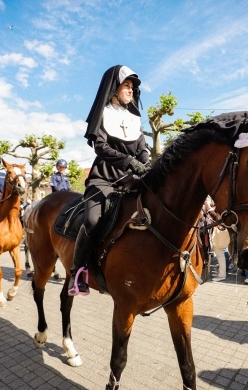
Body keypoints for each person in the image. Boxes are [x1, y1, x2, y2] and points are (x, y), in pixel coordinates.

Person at [67, 65, 150, 296]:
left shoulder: (134, 118)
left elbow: (142, 149)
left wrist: (145, 162)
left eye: (132, 87)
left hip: (129, 182)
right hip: (103, 180)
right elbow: (101, 147)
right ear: (114, 88)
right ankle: (77, 272)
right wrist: (129, 162)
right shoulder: (103, 113)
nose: (131, 90)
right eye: (126, 86)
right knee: (93, 221)